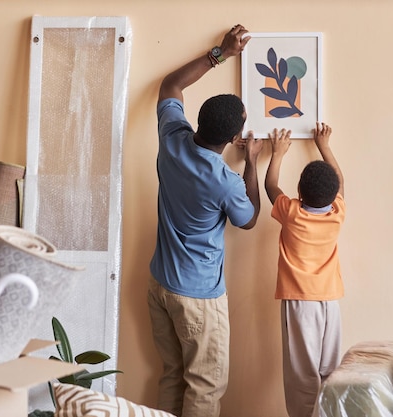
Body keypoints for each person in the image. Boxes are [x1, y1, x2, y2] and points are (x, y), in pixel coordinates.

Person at [147, 24, 263, 417]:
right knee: (205, 387)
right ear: (233, 139)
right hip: (197, 299)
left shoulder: (172, 137)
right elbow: (249, 219)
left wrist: (221, 53)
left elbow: (170, 85)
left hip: (160, 285)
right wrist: (251, 163)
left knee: (173, 376)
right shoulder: (225, 182)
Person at [264, 123, 345, 417]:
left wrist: (278, 153)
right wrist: (324, 145)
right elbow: (341, 183)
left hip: (300, 303)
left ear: (299, 192)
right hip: (330, 302)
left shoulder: (292, 212)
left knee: (302, 375)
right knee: (329, 371)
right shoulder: (338, 213)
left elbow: (271, 187)